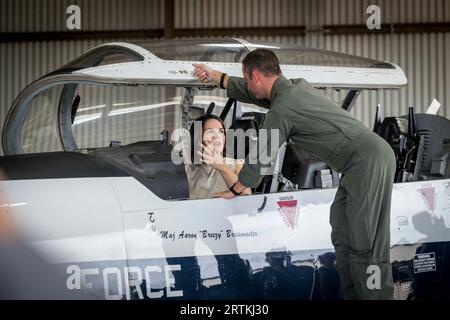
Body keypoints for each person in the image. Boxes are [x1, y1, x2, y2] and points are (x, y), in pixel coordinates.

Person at [192, 49, 396, 299]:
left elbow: (259, 159)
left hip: (367, 162)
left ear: (255, 75)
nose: (248, 87)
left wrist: (236, 188)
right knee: (343, 233)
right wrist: (218, 78)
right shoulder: (296, 88)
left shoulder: (282, 111)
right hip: (361, 162)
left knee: (366, 242)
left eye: (247, 80)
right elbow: (259, 96)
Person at [186, 114, 251, 199]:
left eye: (221, 131)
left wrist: (222, 167)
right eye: (210, 131)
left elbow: (247, 197)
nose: (217, 136)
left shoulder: (236, 164)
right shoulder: (188, 170)